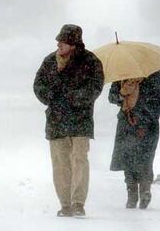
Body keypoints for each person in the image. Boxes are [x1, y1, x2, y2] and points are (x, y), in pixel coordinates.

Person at [33, 24, 104, 217]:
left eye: (62, 41)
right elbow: (38, 85)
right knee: (60, 164)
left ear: (73, 44)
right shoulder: (49, 62)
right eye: (58, 41)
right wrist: (50, 96)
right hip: (56, 120)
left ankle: (78, 202)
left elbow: (96, 87)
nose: (58, 44)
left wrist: (75, 98)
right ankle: (65, 204)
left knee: (79, 160)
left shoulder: (90, 61)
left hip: (80, 120)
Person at [108, 73, 160, 209]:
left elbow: (158, 101)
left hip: (148, 124)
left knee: (145, 158)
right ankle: (131, 193)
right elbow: (112, 97)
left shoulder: (152, 77)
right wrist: (122, 94)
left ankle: (145, 190)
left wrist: (144, 121)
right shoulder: (121, 78)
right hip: (127, 122)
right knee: (128, 159)